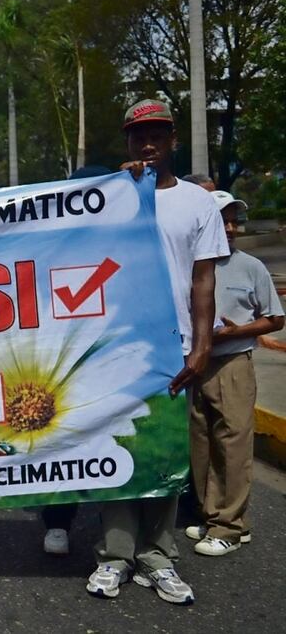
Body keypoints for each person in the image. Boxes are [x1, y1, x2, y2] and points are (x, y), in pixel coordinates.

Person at [86, 99, 228, 605]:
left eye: (158, 135)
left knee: (167, 454)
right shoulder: (111, 198)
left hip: (177, 350)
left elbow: (204, 280)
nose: (148, 144)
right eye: (138, 136)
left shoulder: (198, 203)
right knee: (122, 449)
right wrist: (117, 190)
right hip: (120, 347)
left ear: (173, 141)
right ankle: (115, 556)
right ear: (127, 142)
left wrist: (203, 345)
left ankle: (158, 555)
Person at [186, 191, 283, 556]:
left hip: (232, 363)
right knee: (202, 444)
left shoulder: (251, 267)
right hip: (196, 365)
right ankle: (214, 515)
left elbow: (275, 318)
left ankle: (231, 525)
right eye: (221, 220)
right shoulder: (189, 264)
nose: (230, 228)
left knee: (233, 445)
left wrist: (233, 332)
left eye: (233, 221)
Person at [40, 164, 114, 556]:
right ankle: (57, 523)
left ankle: (119, 532)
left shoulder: (127, 240)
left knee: (114, 441)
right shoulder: (51, 242)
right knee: (62, 444)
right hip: (61, 362)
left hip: (112, 359)